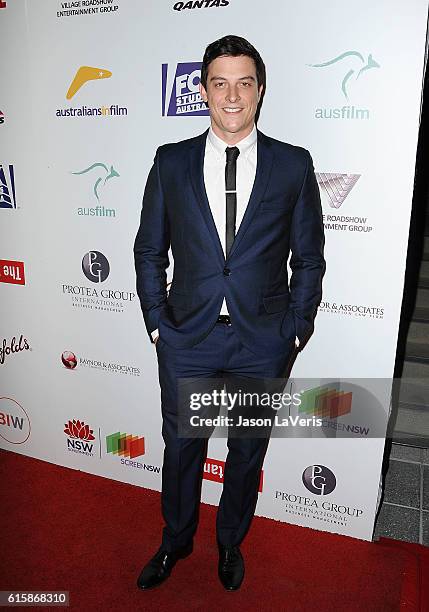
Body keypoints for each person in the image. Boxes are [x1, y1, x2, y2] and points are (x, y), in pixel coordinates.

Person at [134, 34, 325, 591]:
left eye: (244, 82)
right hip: (188, 339)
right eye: (220, 83)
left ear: (260, 91)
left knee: (245, 454)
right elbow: (149, 249)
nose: (232, 95)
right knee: (183, 447)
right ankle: (175, 542)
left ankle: (229, 543)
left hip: (261, 341)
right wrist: (156, 321)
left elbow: (309, 257)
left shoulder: (292, 165)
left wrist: (295, 329)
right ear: (204, 91)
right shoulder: (171, 163)